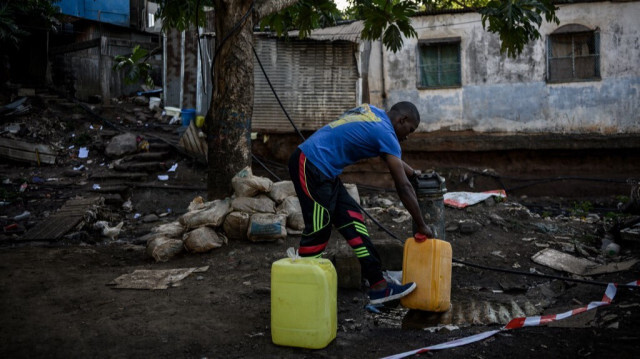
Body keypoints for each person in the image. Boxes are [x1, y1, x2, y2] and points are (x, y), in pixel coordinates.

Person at [288, 101, 434, 305]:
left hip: (326, 171)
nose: (407, 136)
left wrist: (413, 173)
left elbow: (389, 157)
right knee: (319, 228)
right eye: (409, 130)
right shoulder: (387, 135)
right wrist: (422, 224)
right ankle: (300, 296)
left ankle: (378, 286)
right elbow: (403, 187)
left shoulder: (373, 112)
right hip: (310, 163)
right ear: (402, 120)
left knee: (353, 223)